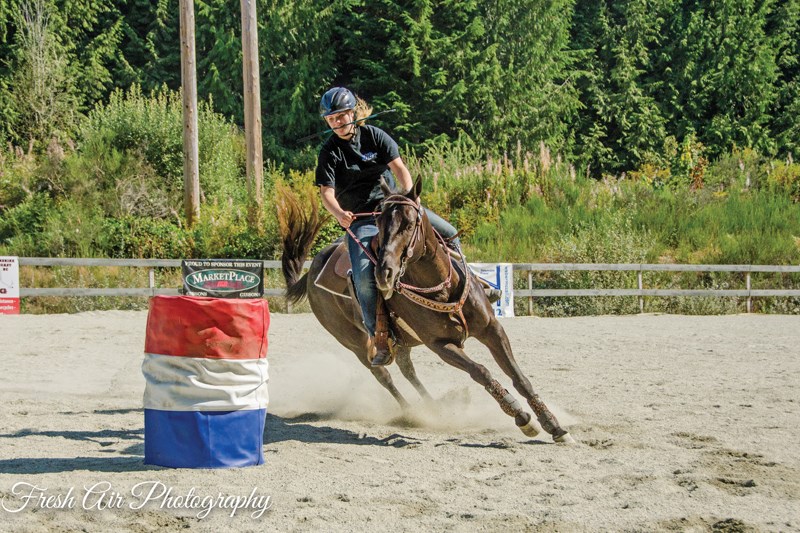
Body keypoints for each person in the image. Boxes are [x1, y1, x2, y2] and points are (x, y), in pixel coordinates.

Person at [315, 86, 461, 367]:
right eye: (331, 119)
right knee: (364, 275)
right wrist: (339, 214)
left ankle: (475, 284)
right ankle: (379, 336)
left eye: (341, 116)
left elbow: (400, 170)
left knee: (449, 232)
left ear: (352, 114)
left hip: (395, 208)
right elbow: (326, 194)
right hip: (361, 221)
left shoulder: (376, 135)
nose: (337, 123)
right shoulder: (329, 152)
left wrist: (409, 198)